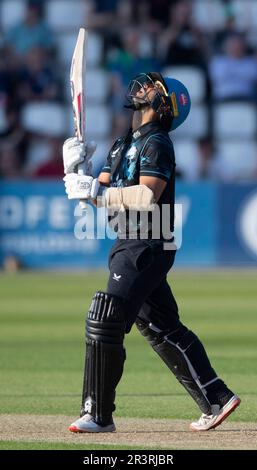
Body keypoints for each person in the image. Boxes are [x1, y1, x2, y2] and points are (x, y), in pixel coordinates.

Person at [62, 72, 240, 433]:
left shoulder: (157, 142)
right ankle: (216, 397)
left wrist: (94, 192)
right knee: (161, 326)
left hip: (148, 242)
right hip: (126, 241)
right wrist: (76, 171)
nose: (141, 86)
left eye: (151, 87)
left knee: (105, 317)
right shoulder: (122, 142)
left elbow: (146, 197)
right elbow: (100, 196)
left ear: (162, 106)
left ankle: (98, 413)